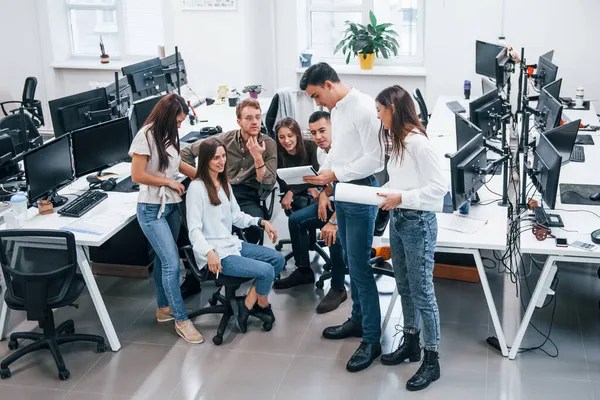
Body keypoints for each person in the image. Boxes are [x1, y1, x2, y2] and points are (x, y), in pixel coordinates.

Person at [301, 63, 384, 373]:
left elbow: (374, 160)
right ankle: (360, 321)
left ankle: (372, 339)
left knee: (361, 268)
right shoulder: (336, 108)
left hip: (362, 193)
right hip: (344, 191)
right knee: (350, 260)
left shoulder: (363, 107)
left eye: (317, 95)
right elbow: (339, 152)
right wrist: (325, 175)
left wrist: (336, 174)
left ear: (329, 83)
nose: (317, 103)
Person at [375, 85, 448, 391]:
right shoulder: (397, 140)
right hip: (398, 217)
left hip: (417, 222)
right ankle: (411, 343)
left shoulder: (418, 143)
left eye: (380, 111)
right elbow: (401, 177)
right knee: (403, 285)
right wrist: (388, 192)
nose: (378, 116)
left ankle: (432, 361)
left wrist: (401, 196)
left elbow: (439, 188)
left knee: (423, 293)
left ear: (393, 109)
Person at [186, 137, 285, 332]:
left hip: (232, 244)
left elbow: (235, 216)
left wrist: (260, 221)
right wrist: (208, 252)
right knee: (266, 271)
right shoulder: (197, 188)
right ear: (205, 160)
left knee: (278, 260)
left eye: (223, 156)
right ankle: (261, 304)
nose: (222, 161)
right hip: (216, 254)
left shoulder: (223, 183)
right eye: (216, 158)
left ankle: (246, 305)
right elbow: (194, 230)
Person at [129, 93, 203, 344]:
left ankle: (164, 309)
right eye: (178, 121)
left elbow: (178, 163)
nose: (180, 126)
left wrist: (203, 177)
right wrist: (168, 182)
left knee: (163, 261)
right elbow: (137, 175)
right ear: (168, 117)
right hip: (151, 210)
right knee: (172, 263)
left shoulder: (169, 134)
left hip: (170, 206)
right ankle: (182, 320)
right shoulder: (146, 135)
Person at [274, 111, 348, 315]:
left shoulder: (345, 150)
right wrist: (324, 194)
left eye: (322, 131)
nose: (318, 137)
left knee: (331, 234)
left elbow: (347, 186)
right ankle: (304, 270)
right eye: (314, 132)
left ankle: (338, 288)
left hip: (350, 204)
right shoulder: (322, 151)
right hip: (332, 199)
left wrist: (332, 219)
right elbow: (328, 181)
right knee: (296, 220)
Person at [181, 99, 277, 244]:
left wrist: (258, 158)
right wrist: (201, 180)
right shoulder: (225, 139)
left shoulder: (268, 144)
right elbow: (186, 152)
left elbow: (268, 183)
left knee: (255, 228)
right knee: (194, 220)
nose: (255, 122)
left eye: (258, 117)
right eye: (249, 118)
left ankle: (244, 257)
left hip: (248, 194)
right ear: (239, 121)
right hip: (222, 189)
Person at [275, 117, 320, 213]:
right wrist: (291, 193)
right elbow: (282, 181)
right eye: (281, 137)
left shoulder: (311, 146)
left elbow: (315, 176)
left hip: (312, 189)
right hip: (290, 194)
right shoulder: (276, 153)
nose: (286, 141)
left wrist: (293, 191)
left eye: (290, 135)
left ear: (297, 135)